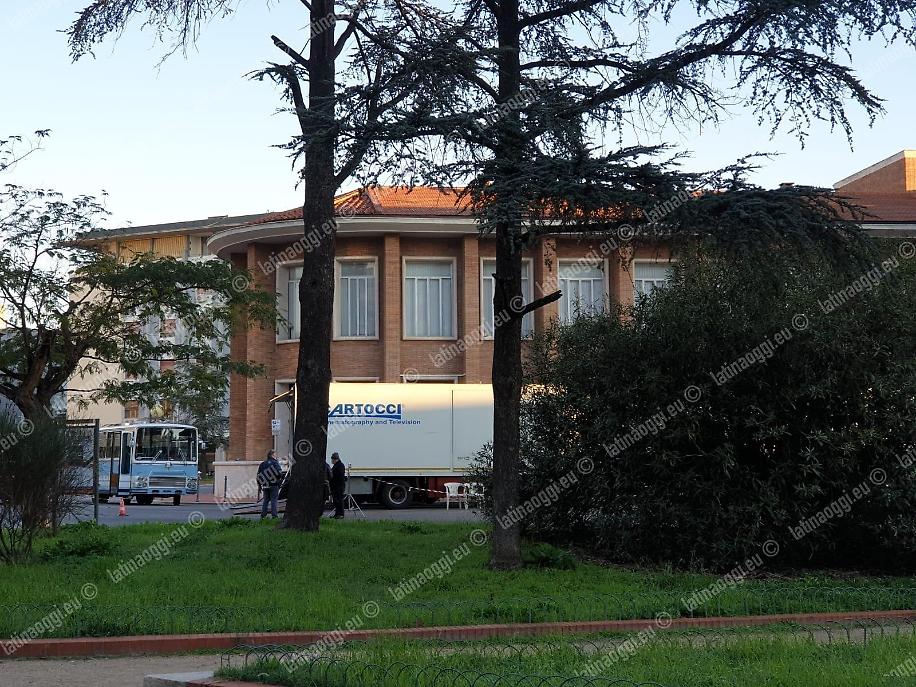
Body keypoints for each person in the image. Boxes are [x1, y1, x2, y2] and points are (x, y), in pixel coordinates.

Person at [257, 449, 282, 519]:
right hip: (274, 485)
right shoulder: (275, 463)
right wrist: (279, 479)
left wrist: (259, 485)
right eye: (275, 454)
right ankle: (274, 516)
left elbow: (258, 475)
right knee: (274, 500)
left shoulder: (262, 464)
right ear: (272, 455)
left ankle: (263, 516)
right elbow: (279, 473)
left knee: (265, 500)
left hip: (265, 485)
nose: (276, 456)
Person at [329, 452, 346, 519]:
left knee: (339, 501)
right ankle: (337, 514)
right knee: (336, 501)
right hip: (335, 486)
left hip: (338, 486)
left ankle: (341, 514)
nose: (331, 460)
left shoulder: (340, 465)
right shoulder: (336, 465)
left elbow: (339, 477)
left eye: (332, 459)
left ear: (335, 459)